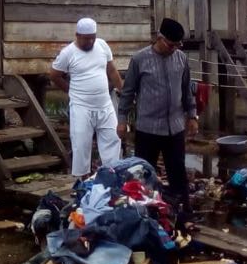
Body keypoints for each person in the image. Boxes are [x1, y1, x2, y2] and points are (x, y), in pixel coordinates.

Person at [116, 18, 198, 223]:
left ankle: (183, 214)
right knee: (144, 174)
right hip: (148, 128)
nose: (174, 49)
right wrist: (122, 119)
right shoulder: (139, 59)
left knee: (178, 172)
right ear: (160, 38)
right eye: (171, 45)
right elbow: (128, 92)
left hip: (175, 128)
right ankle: (144, 215)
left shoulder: (181, 59)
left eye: (178, 45)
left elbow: (187, 89)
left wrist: (192, 115)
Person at [50, 18, 125, 178]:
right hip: (81, 107)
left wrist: (123, 91)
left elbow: (112, 71)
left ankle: (111, 178)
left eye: (92, 37)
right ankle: (82, 181)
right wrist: (71, 91)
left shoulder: (102, 45)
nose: (90, 41)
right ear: (77, 35)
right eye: (86, 38)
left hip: (105, 104)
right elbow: (55, 75)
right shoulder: (68, 53)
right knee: (81, 145)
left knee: (113, 140)